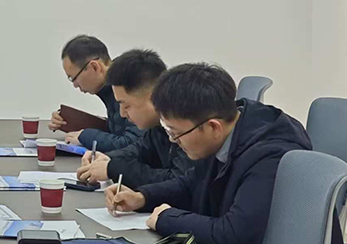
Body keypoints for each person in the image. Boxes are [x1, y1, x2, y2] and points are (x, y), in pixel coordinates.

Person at [104, 63, 314, 244]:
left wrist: (166, 218)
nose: (173, 141)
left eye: (176, 133)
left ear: (213, 127)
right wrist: (142, 197)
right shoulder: (228, 133)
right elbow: (190, 183)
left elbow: (234, 234)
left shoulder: (269, 157)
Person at [76, 49, 193, 189]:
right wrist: (108, 158)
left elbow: (177, 181)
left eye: (126, 105)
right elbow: (138, 150)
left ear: (153, 96)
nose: (122, 113)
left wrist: (113, 169)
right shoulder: (158, 126)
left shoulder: (187, 125)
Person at [49, 35, 143, 152]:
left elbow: (132, 144)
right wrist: (73, 122)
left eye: (73, 78)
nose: (75, 85)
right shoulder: (110, 87)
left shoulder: (131, 83)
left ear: (94, 67)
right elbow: (120, 129)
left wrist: (85, 136)